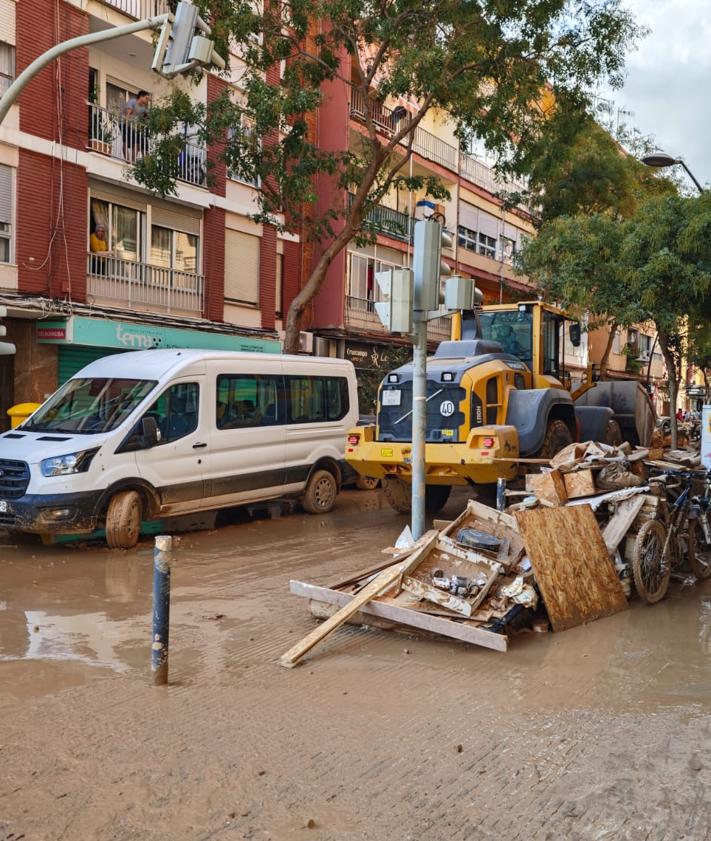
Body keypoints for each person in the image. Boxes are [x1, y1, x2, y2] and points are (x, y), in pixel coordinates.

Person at [122, 90, 151, 161]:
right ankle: (128, 160)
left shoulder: (144, 108)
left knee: (137, 143)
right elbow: (128, 113)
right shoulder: (133, 101)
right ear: (141, 97)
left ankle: (133, 161)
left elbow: (149, 116)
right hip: (126, 123)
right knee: (126, 141)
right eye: (146, 98)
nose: (147, 100)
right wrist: (126, 125)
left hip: (135, 126)